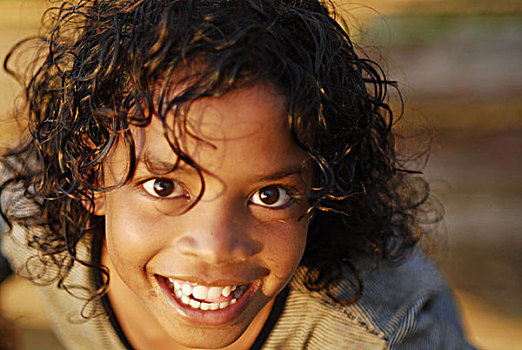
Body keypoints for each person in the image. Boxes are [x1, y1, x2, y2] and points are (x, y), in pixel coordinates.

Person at [0, 0, 476, 349]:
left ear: (322, 189)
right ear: (90, 174)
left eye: (271, 195)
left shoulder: (382, 331)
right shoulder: (32, 210)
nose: (215, 245)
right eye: (165, 186)